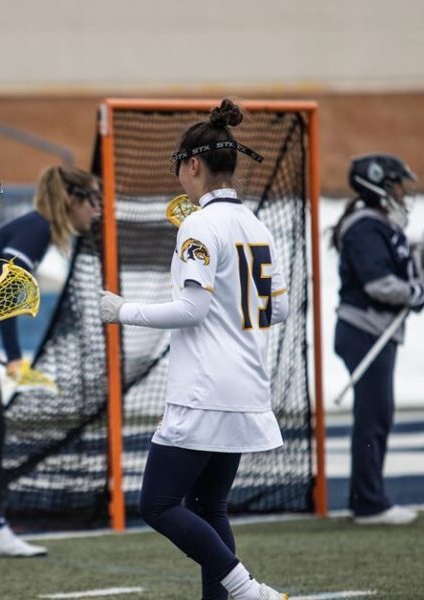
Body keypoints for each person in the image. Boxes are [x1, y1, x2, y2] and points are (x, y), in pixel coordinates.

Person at [99, 99, 289, 600]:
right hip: (248, 384)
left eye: (178, 168)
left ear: (194, 165)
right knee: (210, 507)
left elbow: (191, 310)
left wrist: (123, 311)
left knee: (158, 504)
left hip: (205, 388)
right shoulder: (258, 225)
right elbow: (280, 310)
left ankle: (247, 590)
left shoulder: (200, 225)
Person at [0, 165, 101, 561]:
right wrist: (15, 357)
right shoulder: (36, 228)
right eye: (93, 202)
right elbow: (10, 290)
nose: (97, 211)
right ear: (73, 200)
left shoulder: (40, 230)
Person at [331, 153, 424, 526]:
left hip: (373, 331)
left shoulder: (380, 224)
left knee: (377, 415)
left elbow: (400, 267)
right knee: (373, 418)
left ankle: (368, 497)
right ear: (380, 185)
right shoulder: (365, 226)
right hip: (364, 331)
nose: (403, 191)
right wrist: (412, 293)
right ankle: (368, 503)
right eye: (398, 183)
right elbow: (378, 283)